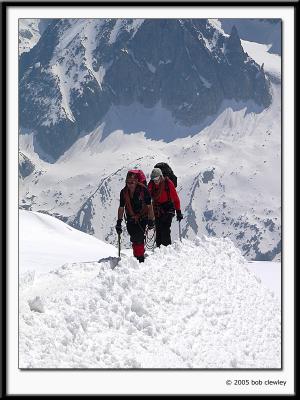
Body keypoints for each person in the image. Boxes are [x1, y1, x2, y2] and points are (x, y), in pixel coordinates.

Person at [116, 171, 155, 262]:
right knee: (134, 238)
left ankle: (139, 258)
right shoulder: (124, 192)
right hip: (131, 218)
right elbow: (121, 207)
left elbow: (150, 206)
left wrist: (151, 220)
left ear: (137, 181)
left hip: (143, 217)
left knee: (138, 237)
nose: (130, 185)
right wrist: (119, 222)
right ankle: (138, 256)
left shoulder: (144, 190)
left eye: (132, 182)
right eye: (128, 182)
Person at [148, 167, 183, 247]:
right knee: (159, 230)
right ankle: (160, 250)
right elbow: (147, 198)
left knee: (165, 229)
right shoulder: (151, 185)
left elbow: (175, 198)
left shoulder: (168, 183)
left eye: (157, 178)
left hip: (168, 208)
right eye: (154, 179)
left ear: (161, 176)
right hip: (157, 209)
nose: (155, 181)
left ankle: (166, 249)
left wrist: (178, 211)